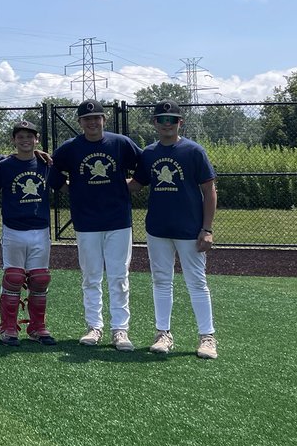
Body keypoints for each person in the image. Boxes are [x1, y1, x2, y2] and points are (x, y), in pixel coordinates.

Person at [48, 99, 143, 351]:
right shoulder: (70, 148)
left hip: (118, 220)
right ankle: (94, 326)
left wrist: (130, 185)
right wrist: (71, 189)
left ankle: (120, 330)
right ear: (80, 123)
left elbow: (144, 166)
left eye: (96, 118)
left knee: (118, 276)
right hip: (86, 221)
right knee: (91, 276)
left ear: (104, 120)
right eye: (87, 119)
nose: (92, 122)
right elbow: (52, 171)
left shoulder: (120, 143)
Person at [130, 100, 219, 359]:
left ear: (180, 122)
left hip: (190, 230)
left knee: (196, 282)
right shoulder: (149, 153)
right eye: (161, 119)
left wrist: (207, 228)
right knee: (161, 280)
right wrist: (92, 185)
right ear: (155, 123)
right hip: (158, 229)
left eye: (172, 119)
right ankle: (163, 334)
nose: (166, 124)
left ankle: (207, 337)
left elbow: (209, 190)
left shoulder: (193, 151)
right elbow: (136, 184)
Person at [0, 120, 55, 346]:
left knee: (40, 279)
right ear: (14, 140)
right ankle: (8, 327)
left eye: (30, 136)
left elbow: (64, 181)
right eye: (20, 136)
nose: (25, 140)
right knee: (13, 278)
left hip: (40, 229)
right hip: (14, 230)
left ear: (37, 139)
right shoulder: (5, 166)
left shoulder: (46, 164)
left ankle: (37, 326)